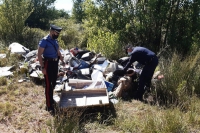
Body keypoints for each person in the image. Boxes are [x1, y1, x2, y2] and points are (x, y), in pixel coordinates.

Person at [38, 24, 64, 114]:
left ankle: (51, 100)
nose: (58, 34)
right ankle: (49, 106)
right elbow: (39, 55)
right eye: (57, 33)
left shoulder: (55, 41)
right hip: (48, 64)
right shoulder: (44, 41)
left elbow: (57, 51)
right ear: (52, 32)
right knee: (48, 85)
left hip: (55, 63)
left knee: (53, 83)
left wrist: (61, 58)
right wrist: (42, 67)